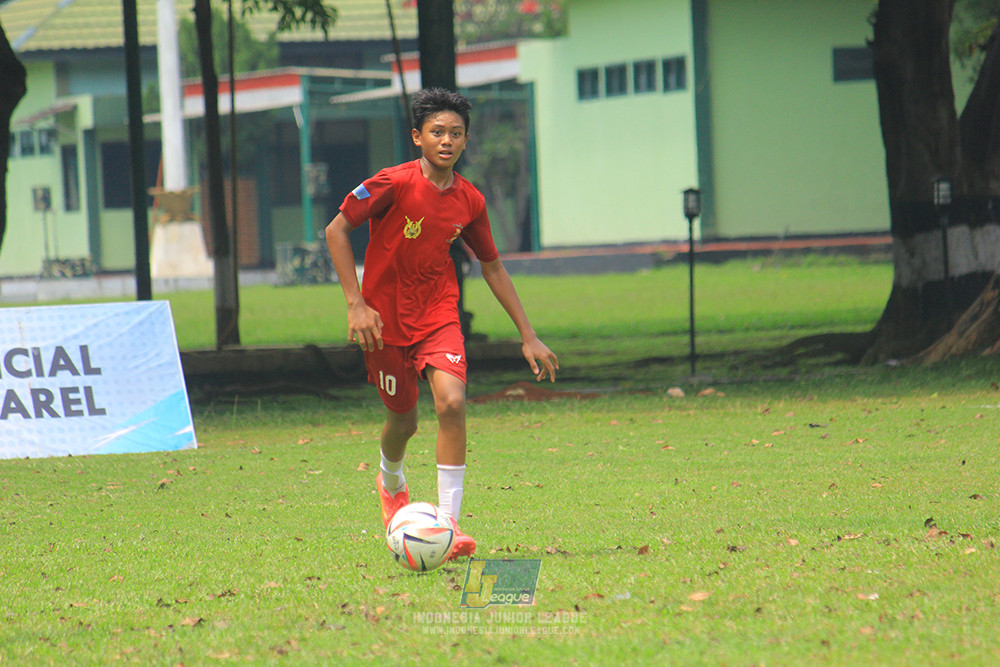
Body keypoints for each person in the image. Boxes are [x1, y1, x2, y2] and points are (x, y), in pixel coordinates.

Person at [325, 88, 558, 559]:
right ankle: (391, 480)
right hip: (383, 321)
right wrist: (356, 302)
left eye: (455, 133)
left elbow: (491, 265)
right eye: (437, 132)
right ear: (417, 137)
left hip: (437, 313)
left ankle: (449, 525)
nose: (446, 140)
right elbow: (336, 230)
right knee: (404, 419)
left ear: (466, 141)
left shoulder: (470, 200)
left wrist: (528, 335)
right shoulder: (392, 183)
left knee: (451, 404)